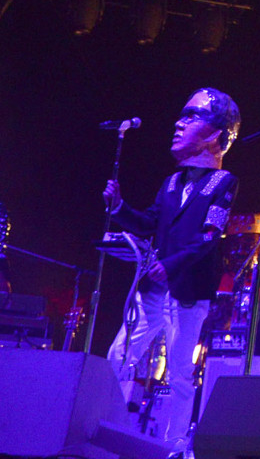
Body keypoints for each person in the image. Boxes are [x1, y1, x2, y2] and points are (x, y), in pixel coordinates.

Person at [103, 88, 241, 449]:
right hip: (154, 290)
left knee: (180, 373)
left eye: (191, 116)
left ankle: (176, 443)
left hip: (188, 293)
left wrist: (170, 264)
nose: (178, 124)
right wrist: (119, 209)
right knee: (119, 355)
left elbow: (210, 236)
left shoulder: (221, 182)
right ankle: (108, 425)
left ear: (217, 134)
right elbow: (150, 221)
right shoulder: (171, 182)